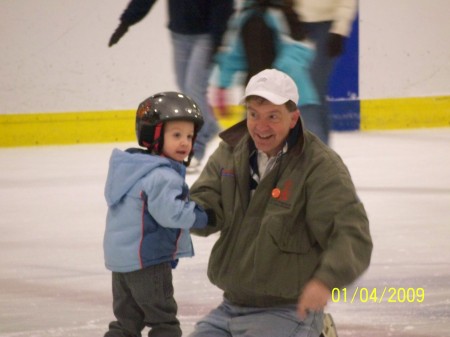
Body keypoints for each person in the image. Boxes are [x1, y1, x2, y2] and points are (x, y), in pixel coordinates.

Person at [188, 69, 373, 337]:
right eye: (254, 115)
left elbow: (351, 234)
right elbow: (206, 199)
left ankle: (316, 329)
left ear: (293, 118)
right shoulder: (231, 150)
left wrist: (325, 282)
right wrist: (186, 214)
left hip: (289, 310)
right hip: (230, 306)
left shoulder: (319, 166)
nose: (260, 127)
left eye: (273, 117)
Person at [103, 91, 216, 337]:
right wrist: (201, 216)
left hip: (122, 263)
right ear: (152, 135)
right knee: (163, 322)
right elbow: (171, 215)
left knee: (126, 323)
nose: (185, 142)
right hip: (148, 263)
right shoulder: (162, 176)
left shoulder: (134, 169)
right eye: (176, 135)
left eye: (189, 136)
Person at [108, 0, 234, 171]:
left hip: (206, 36)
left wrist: (217, 39)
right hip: (179, 33)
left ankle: (197, 148)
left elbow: (223, 5)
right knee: (184, 86)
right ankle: (210, 126)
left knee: (193, 89)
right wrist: (126, 22)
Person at [211, 0, 320, 115]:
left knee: (302, 129)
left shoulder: (283, 14)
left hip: (290, 95)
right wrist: (222, 87)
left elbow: (300, 48)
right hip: (256, 92)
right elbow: (233, 56)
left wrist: (276, 76)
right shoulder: (244, 16)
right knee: (255, 129)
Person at [292, 0, 358, 145]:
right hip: (297, 23)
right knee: (305, 90)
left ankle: (319, 149)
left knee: (313, 89)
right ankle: (320, 149)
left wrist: (339, 30)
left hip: (327, 26)